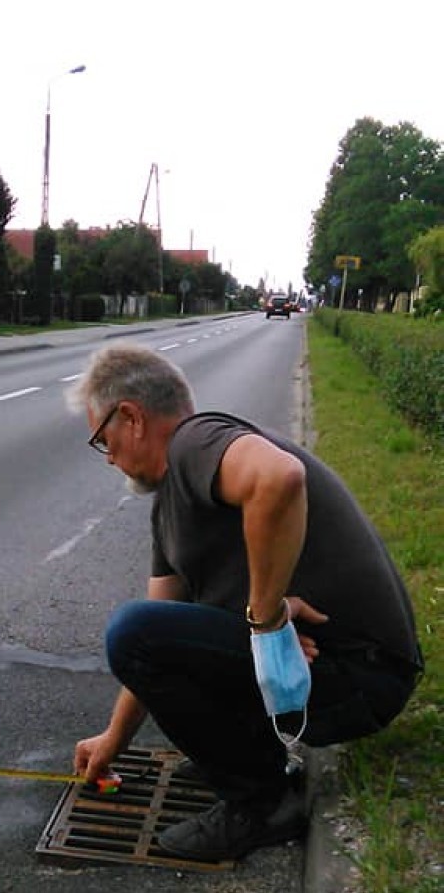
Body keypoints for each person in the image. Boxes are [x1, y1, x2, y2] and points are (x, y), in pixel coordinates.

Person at [69, 344, 423, 861]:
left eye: (104, 439)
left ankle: (260, 803)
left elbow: (279, 479)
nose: (111, 458)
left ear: (132, 418)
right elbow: (157, 645)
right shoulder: (168, 508)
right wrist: (112, 740)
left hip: (362, 674)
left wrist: (265, 621)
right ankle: (249, 758)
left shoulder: (195, 441)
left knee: (129, 629)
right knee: (146, 632)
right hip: (341, 676)